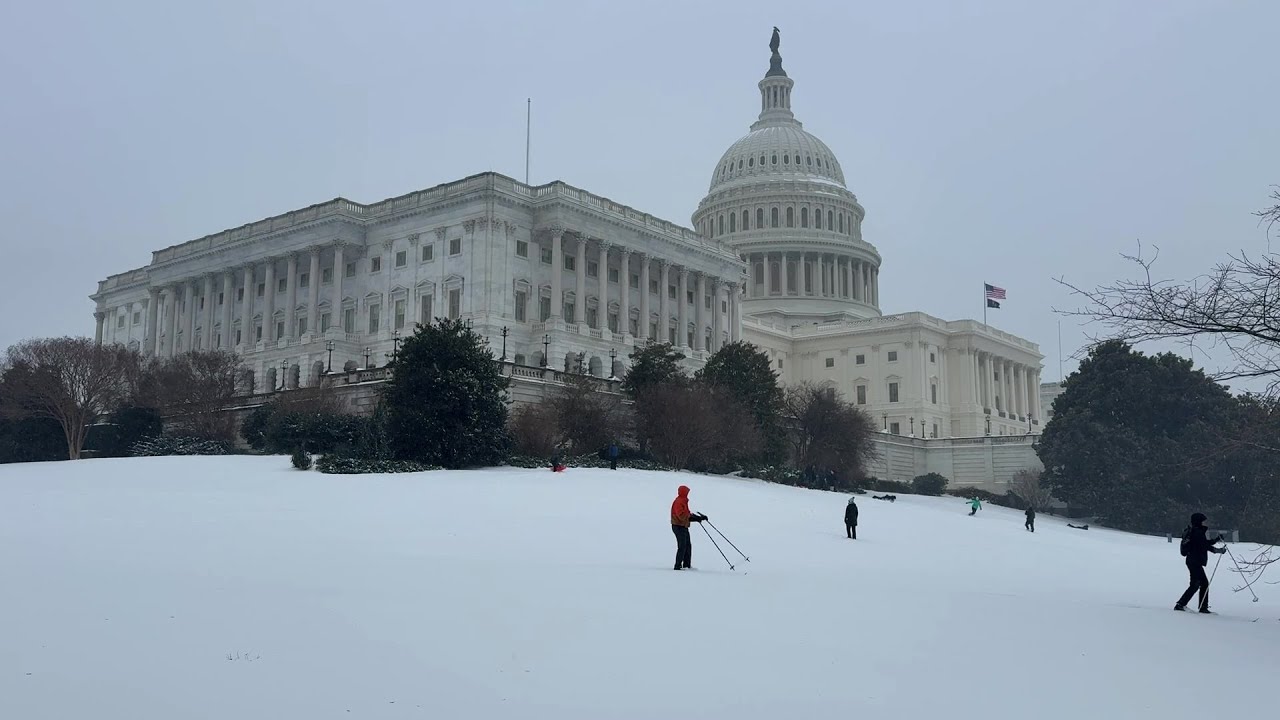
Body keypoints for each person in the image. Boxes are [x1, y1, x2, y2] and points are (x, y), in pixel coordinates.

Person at [1176, 512, 1226, 613]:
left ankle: (1201, 607)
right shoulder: (1197, 532)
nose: (1204, 523)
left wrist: (1215, 540)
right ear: (1198, 522)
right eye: (1202, 521)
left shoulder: (1195, 531)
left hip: (1193, 560)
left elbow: (1204, 543)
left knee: (1202, 583)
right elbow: (1204, 546)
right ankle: (1181, 605)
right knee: (1197, 584)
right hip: (1194, 561)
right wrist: (1218, 551)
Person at [670, 485, 707, 570]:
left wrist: (698, 517)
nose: (688, 493)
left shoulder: (684, 501)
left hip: (683, 526)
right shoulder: (679, 501)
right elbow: (681, 516)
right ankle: (677, 566)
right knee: (682, 546)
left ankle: (686, 565)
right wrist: (694, 519)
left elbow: (687, 513)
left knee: (687, 546)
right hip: (678, 526)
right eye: (687, 492)